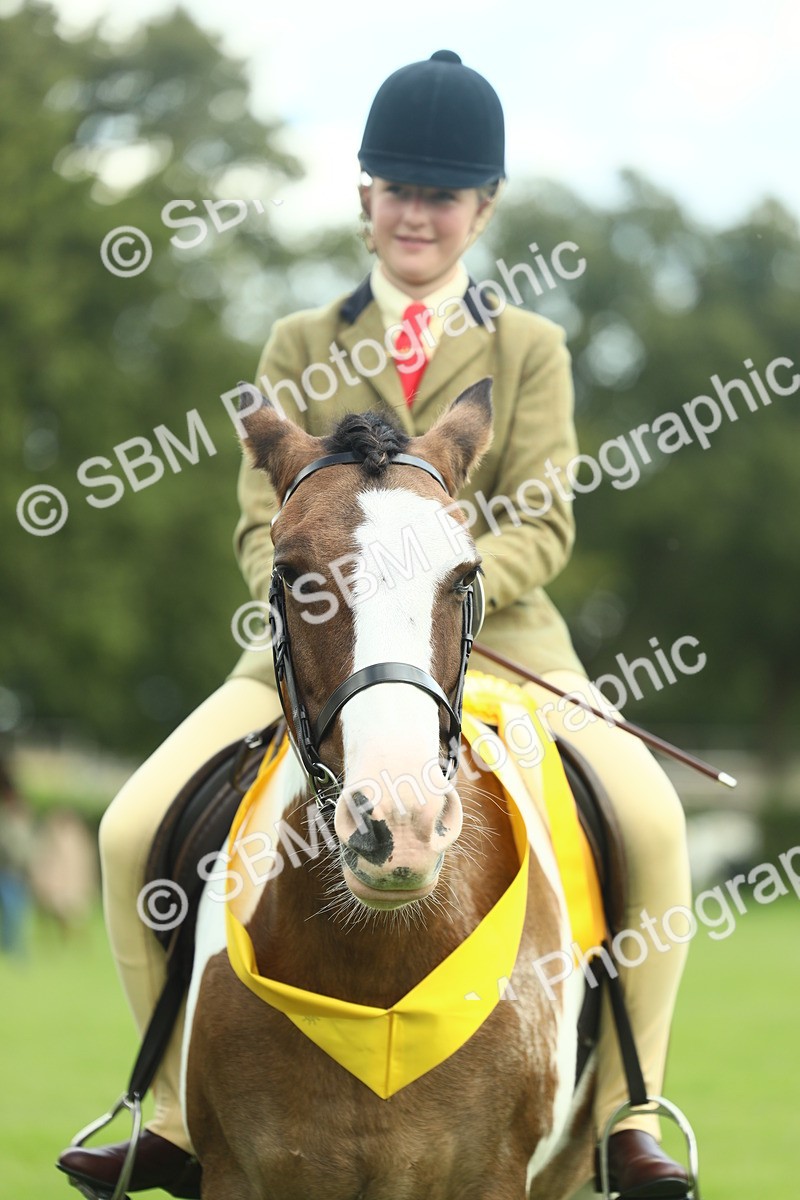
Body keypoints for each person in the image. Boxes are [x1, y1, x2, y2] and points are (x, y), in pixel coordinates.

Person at [58, 50, 691, 1198]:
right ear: (364, 198)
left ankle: (624, 1113)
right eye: (396, 189)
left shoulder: (527, 350)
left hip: (505, 645)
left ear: (481, 209)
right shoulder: (298, 341)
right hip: (315, 651)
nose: (417, 212)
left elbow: (543, 519)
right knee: (127, 826)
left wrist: (431, 589)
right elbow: (264, 521)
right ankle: (169, 1108)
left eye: (441, 195)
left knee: (650, 821)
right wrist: (332, 596)